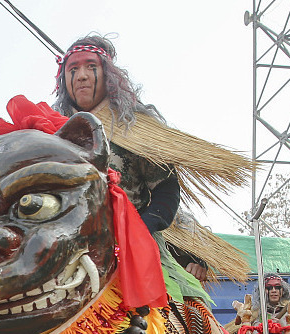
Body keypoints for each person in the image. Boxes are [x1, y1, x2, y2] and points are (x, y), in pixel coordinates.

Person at [51, 35, 251, 294]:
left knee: (188, 313)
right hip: (69, 247)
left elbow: (166, 189)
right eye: (73, 69)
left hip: (132, 247)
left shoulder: (135, 128)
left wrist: (141, 229)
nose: (81, 76)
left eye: (91, 66)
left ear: (108, 75)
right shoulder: (53, 130)